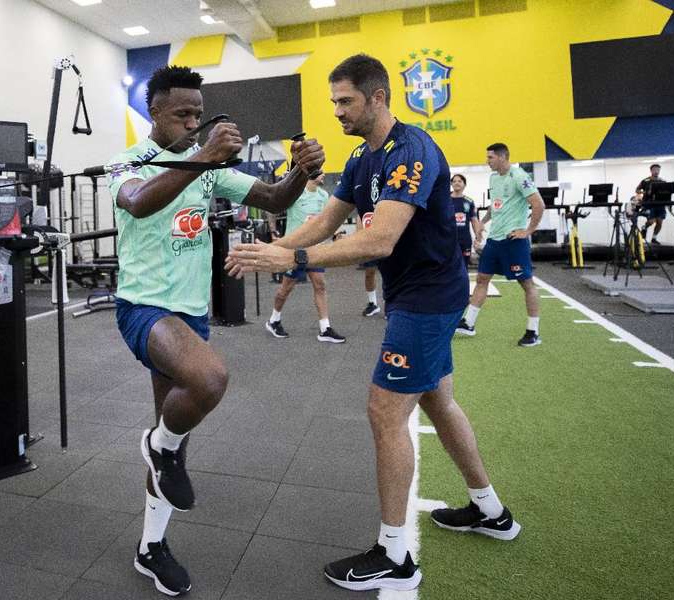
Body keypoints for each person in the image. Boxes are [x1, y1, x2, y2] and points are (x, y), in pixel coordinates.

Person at [226, 54, 521, 593]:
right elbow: (325, 220)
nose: (336, 111)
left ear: (379, 97)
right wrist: (273, 247)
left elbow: (379, 239)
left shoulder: (412, 151)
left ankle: (395, 557)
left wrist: (290, 262)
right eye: (334, 101)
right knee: (437, 399)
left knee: (384, 412)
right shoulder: (363, 158)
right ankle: (491, 511)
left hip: (429, 296)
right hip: (412, 292)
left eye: (346, 101)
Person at [106, 65, 324, 597]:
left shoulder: (209, 168)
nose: (193, 122)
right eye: (183, 114)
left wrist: (299, 170)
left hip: (190, 311)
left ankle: (150, 545)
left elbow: (274, 199)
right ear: (154, 112)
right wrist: (201, 155)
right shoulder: (128, 160)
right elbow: (138, 201)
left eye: (199, 115)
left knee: (172, 436)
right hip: (144, 306)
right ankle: (159, 446)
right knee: (209, 380)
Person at [457, 143, 544, 347]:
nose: (487, 161)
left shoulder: (519, 176)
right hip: (494, 240)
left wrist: (528, 231)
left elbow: (538, 204)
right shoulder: (494, 177)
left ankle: (533, 331)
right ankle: (468, 323)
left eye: (490, 158)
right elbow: (495, 206)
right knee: (482, 278)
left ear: (502, 157)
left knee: (527, 284)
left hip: (513, 241)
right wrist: (482, 224)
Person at [265, 173, 345, 342]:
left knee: (320, 285)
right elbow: (270, 208)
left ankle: (325, 328)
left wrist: (337, 233)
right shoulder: (295, 194)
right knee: (286, 289)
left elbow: (327, 220)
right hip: (294, 251)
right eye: (320, 171)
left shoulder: (323, 195)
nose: (323, 174)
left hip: (314, 250)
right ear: (311, 175)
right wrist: (273, 232)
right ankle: (274, 320)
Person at [450, 173, 483, 266]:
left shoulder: (469, 201)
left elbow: (474, 220)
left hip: (464, 240)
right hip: (448, 239)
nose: (457, 183)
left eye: (459, 181)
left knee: (463, 266)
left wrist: (478, 237)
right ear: (451, 184)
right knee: (448, 266)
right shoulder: (445, 200)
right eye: (454, 181)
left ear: (464, 184)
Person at [358, 212, 382, 316]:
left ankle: (390, 303)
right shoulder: (361, 196)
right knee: (369, 272)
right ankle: (372, 304)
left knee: (390, 272)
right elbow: (359, 216)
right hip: (369, 241)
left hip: (385, 237)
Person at [636, 163, 666, 245]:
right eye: (655, 170)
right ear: (651, 171)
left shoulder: (662, 181)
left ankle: (654, 238)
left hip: (660, 204)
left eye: (658, 170)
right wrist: (644, 192)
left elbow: (666, 192)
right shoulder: (645, 181)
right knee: (651, 221)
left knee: (659, 222)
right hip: (649, 204)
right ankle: (644, 227)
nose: (656, 171)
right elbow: (637, 190)